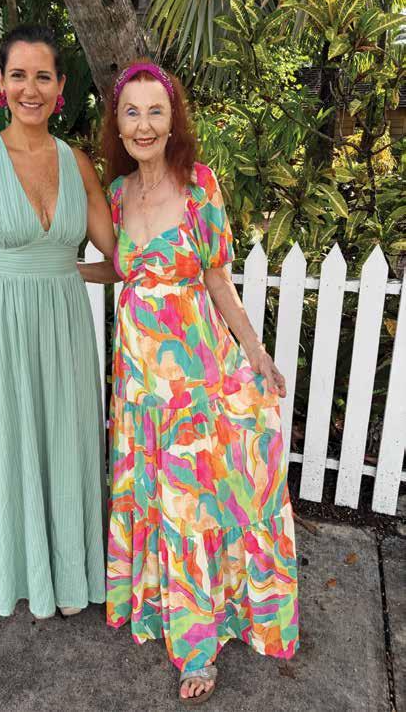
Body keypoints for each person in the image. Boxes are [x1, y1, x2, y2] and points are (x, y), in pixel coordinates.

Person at [98, 61, 299, 704]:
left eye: (156, 111)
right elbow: (124, 271)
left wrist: (256, 352)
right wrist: (59, 271)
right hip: (139, 383)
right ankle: (162, 606)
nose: (144, 124)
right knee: (159, 501)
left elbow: (216, 279)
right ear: (118, 125)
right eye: (132, 112)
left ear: (172, 121)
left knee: (192, 507)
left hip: (195, 380)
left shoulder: (199, 186)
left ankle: (197, 648)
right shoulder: (114, 194)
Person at [0, 24, 115, 620]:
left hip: (65, 325)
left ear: (60, 86)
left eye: (43, 76)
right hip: (4, 324)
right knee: (11, 444)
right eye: (18, 75)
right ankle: (23, 573)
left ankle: (69, 576)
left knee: (68, 440)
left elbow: (120, 255)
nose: (30, 89)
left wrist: (73, 271)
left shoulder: (77, 162)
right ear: (1, 82)